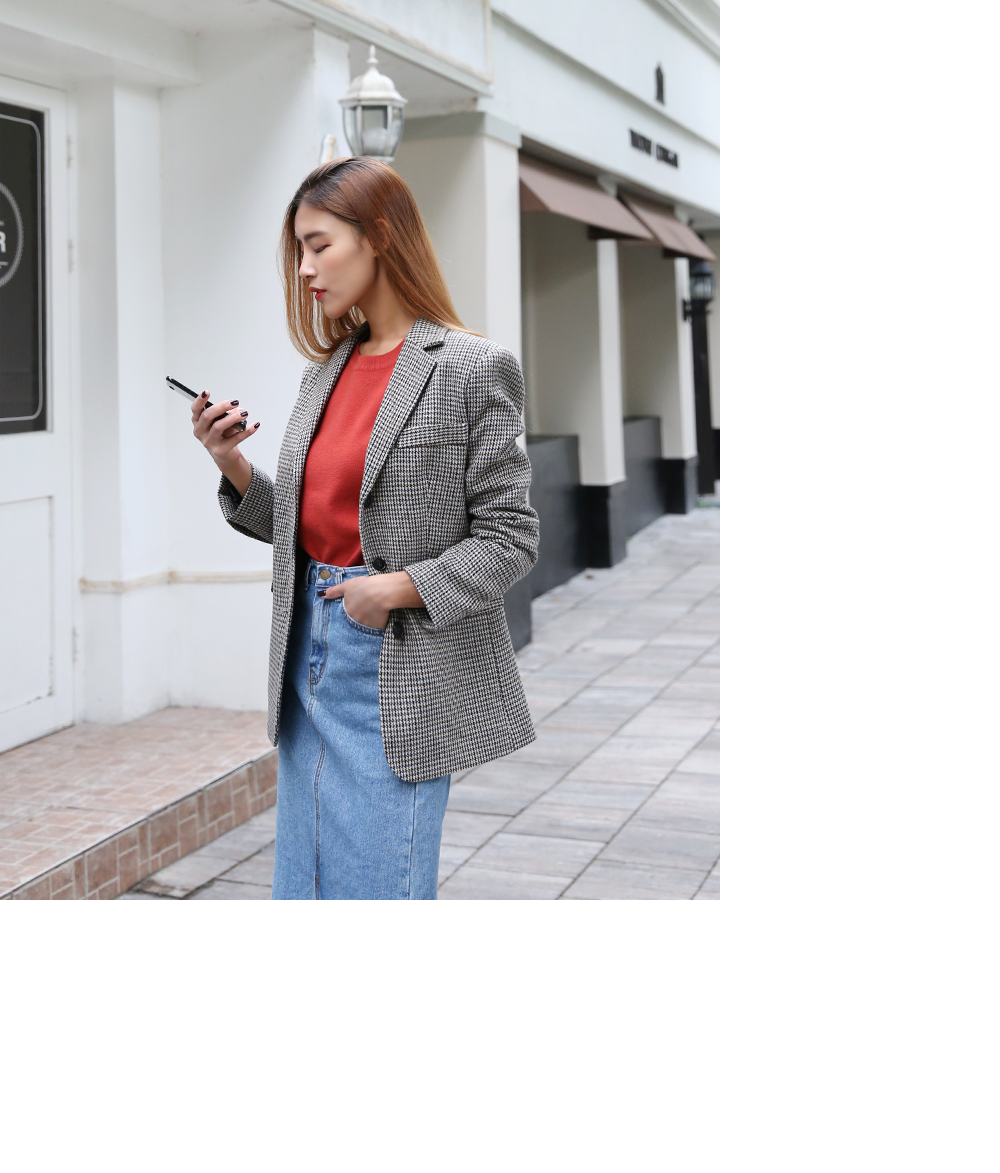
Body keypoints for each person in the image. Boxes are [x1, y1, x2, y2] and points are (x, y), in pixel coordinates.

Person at [190, 156, 539, 900]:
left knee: (381, 885)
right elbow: (308, 523)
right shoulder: (328, 367)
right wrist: (233, 464)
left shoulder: (473, 367)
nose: (307, 269)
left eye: (319, 244)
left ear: (378, 235)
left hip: (392, 659)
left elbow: (511, 536)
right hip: (303, 658)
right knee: (305, 886)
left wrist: (396, 590)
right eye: (300, 252)